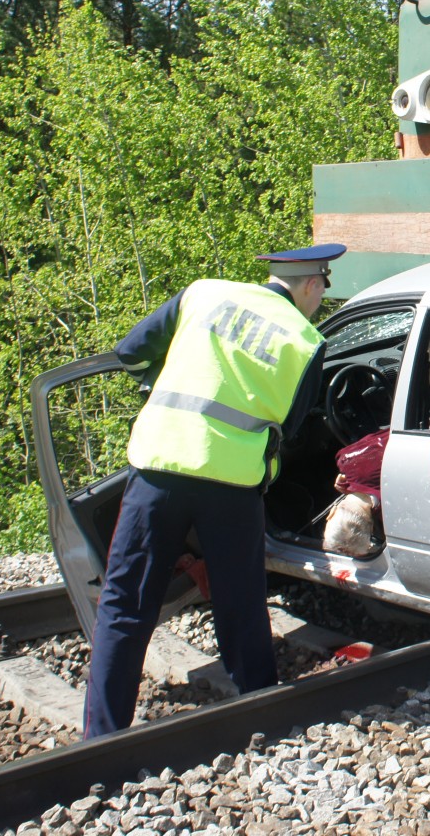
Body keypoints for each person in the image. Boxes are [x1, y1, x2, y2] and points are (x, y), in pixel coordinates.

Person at [81, 242, 346, 739]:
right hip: (231, 484)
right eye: (324, 288)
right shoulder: (305, 341)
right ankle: (260, 714)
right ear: (312, 283)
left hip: (158, 466)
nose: (321, 299)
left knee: (124, 605)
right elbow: (291, 425)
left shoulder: (203, 294)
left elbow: (129, 352)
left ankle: (100, 736)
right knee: (240, 603)